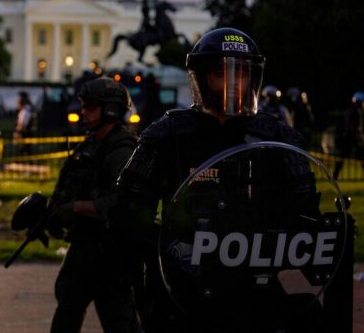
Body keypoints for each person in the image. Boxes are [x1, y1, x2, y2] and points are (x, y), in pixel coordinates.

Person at [113, 27, 322, 332]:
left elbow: (307, 214)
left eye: (242, 75)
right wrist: (166, 246)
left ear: (253, 79)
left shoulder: (277, 137)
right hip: (183, 286)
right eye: (221, 75)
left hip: (256, 281)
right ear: (202, 79)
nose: (233, 84)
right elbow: (128, 208)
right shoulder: (167, 135)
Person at [46, 76, 141, 333]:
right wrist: (50, 213)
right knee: (66, 310)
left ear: (110, 109)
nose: (83, 112)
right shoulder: (90, 145)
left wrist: (76, 208)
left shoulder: (122, 149)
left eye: (90, 107)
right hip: (84, 246)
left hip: (112, 252)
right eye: (83, 106)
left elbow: (121, 202)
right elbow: (68, 186)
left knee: (118, 319)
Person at [333, 91, 364, 180]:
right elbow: (350, 127)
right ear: (359, 102)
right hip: (347, 140)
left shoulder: (358, 112)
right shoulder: (352, 112)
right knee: (341, 159)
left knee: (360, 157)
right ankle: (334, 177)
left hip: (352, 139)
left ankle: (335, 176)